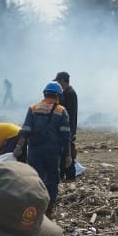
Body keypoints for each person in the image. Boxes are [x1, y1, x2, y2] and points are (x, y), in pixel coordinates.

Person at [14, 81, 72, 210]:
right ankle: (49, 205)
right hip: (53, 152)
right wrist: (68, 155)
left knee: (35, 178)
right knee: (52, 179)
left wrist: (18, 147)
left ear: (45, 93)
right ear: (58, 95)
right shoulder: (61, 110)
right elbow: (65, 135)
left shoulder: (33, 108)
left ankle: (35, 205)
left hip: (35, 151)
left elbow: (26, 130)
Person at [55, 72, 79, 179]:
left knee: (67, 153)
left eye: (58, 81)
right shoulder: (66, 92)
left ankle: (70, 176)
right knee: (64, 152)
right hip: (65, 128)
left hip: (67, 128)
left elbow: (69, 115)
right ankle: (64, 175)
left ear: (63, 80)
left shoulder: (70, 94)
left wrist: (70, 131)